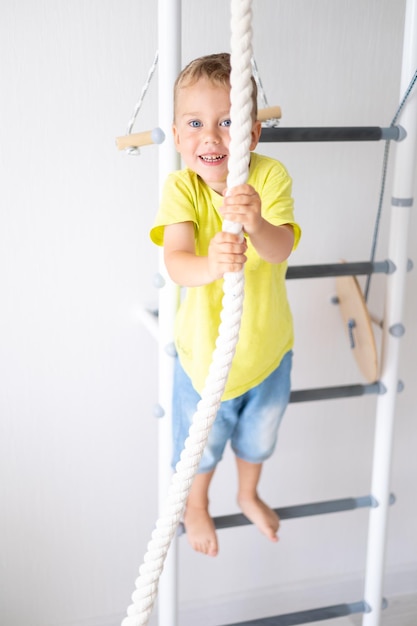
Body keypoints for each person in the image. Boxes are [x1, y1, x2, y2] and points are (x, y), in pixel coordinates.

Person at [150, 53, 301, 557]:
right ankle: (196, 504)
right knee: (201, 448)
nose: (211, 137)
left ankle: (247, 491)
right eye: (195, 123)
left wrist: (256, 223)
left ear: (253, 135)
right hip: (203, 360)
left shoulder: (270, 177)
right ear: (176, 135)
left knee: (260, 436)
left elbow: (282, 248)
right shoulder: (182, 187)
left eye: (228, 122)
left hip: (267, 351)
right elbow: (176, 262)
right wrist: (211, 263)